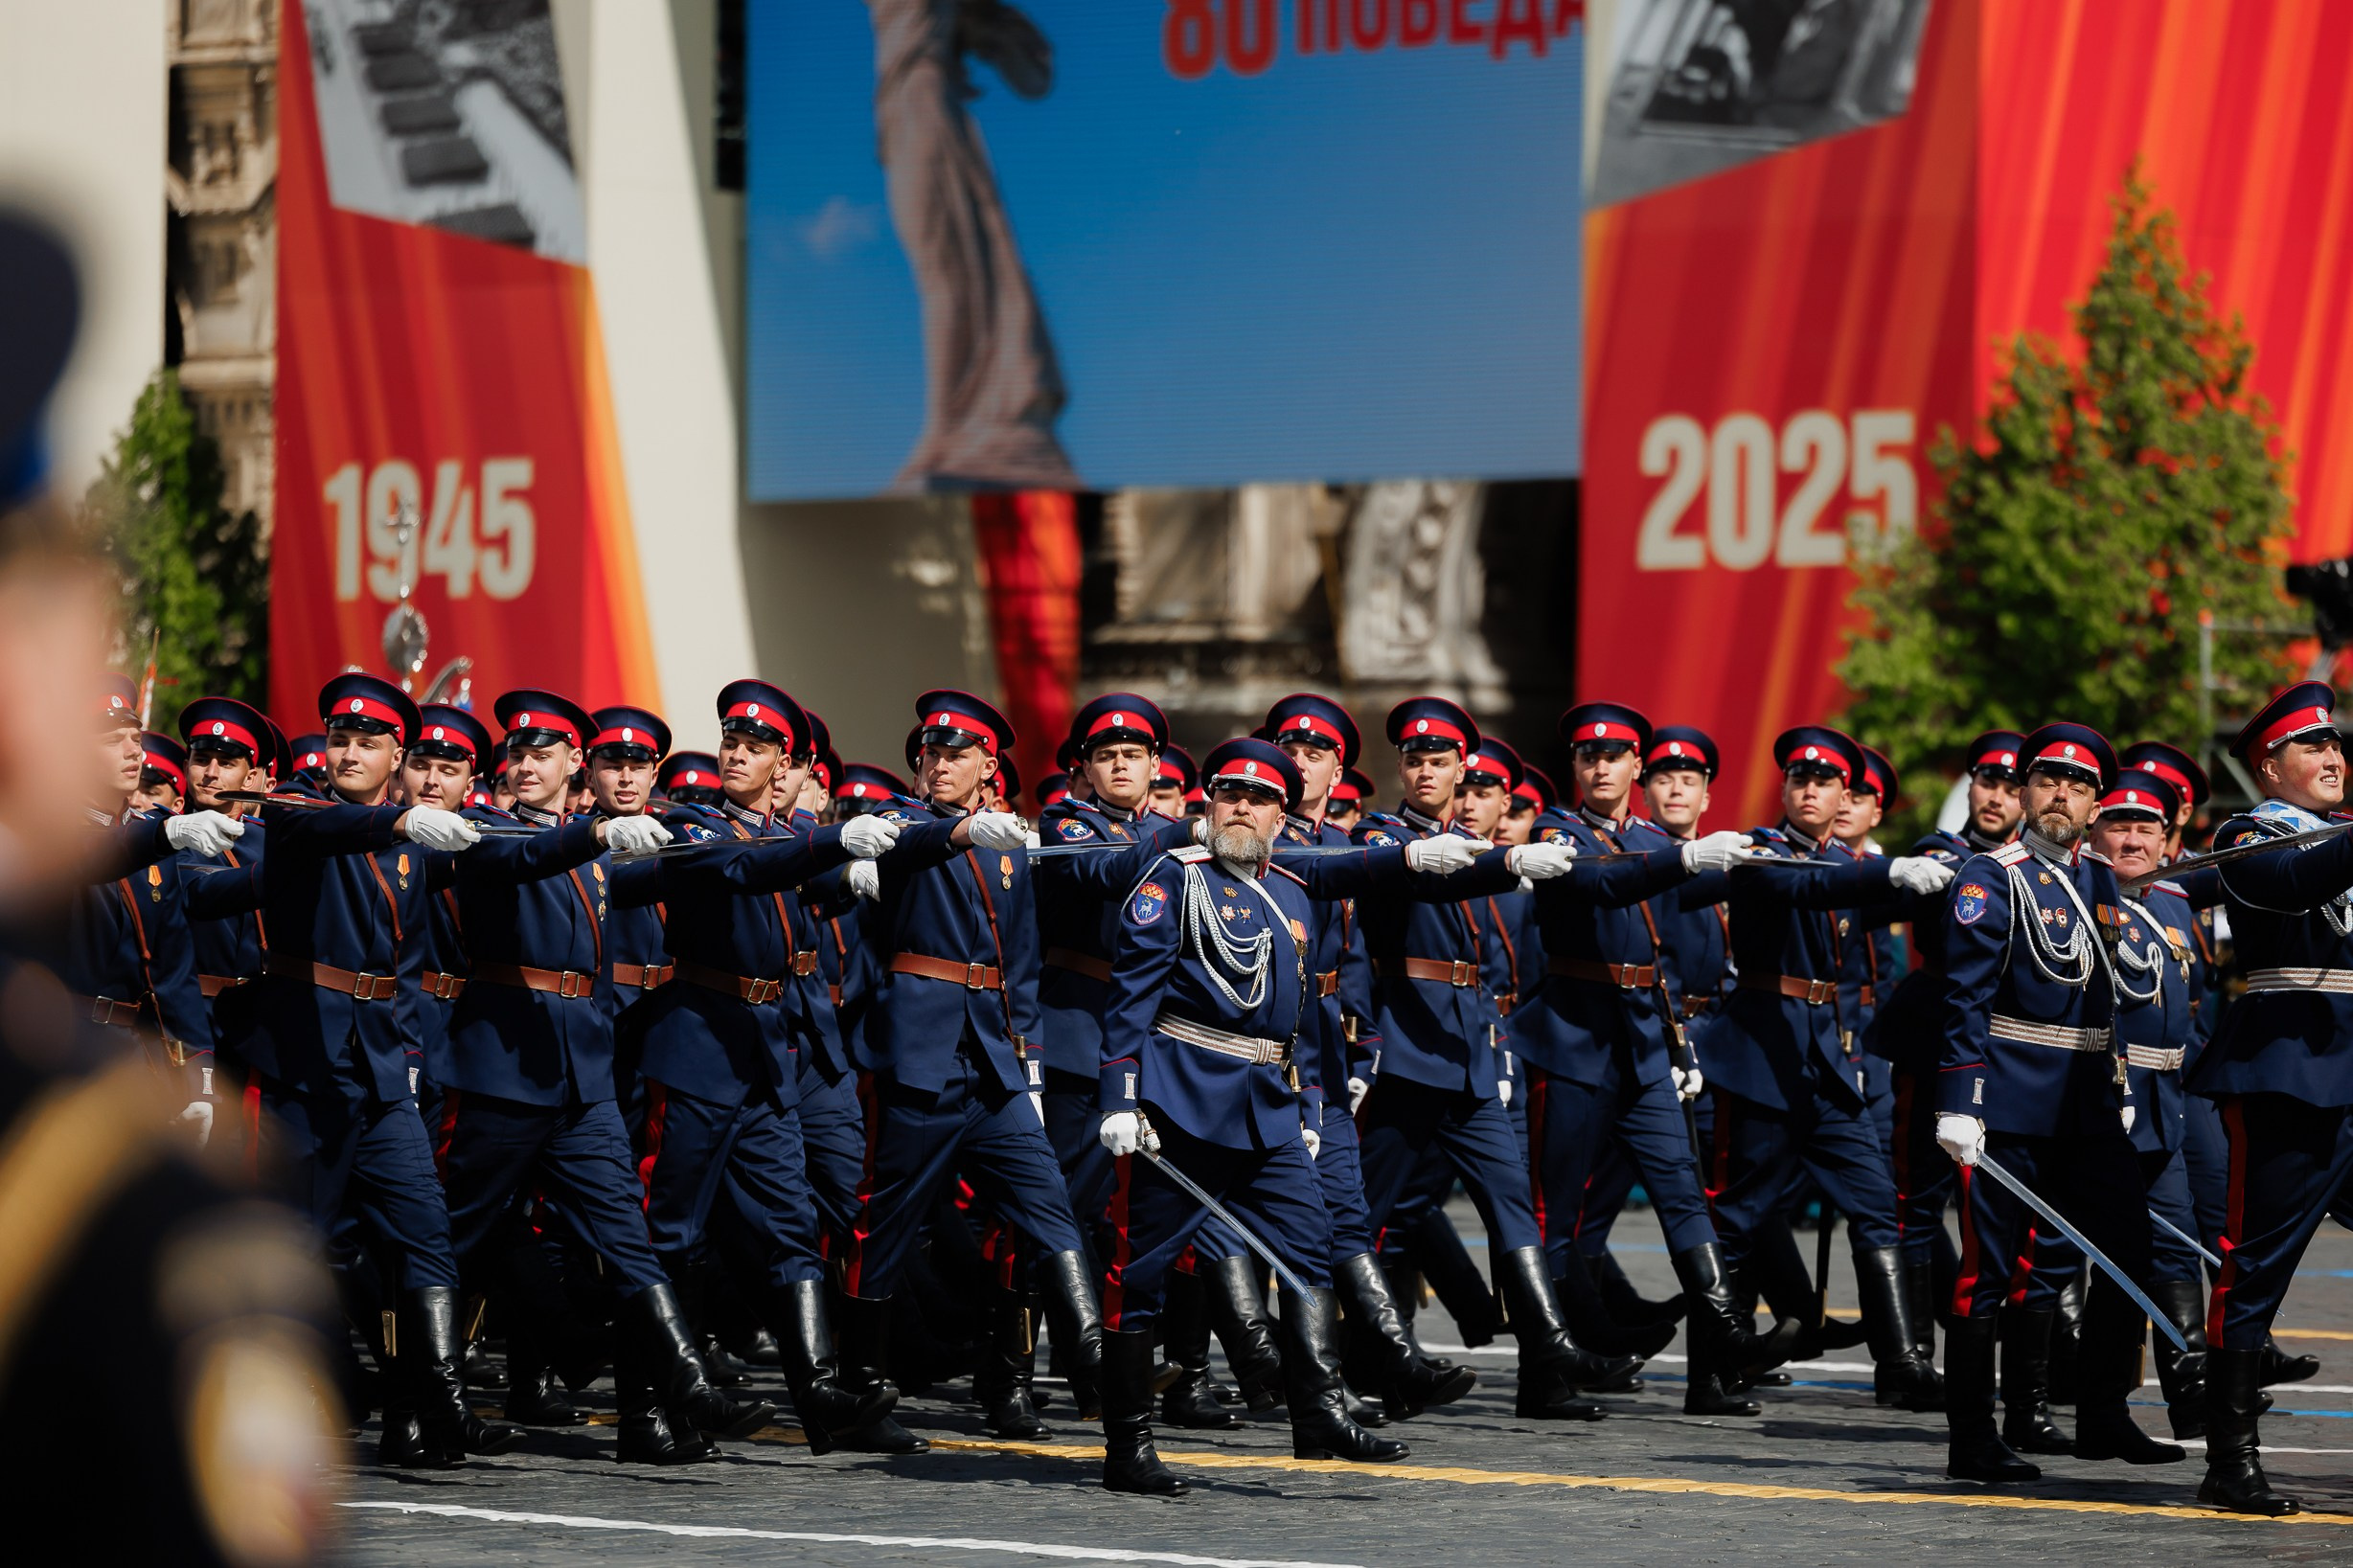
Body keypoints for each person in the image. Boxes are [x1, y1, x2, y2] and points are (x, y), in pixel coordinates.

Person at [1096, 739, 1411, 1495]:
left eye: (1260, 798)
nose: (1243, 806)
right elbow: (1131, 996)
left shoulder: (1293, 894)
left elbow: (1299, 1018)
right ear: (1209, 802)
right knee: (1138, 1273)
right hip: (1181, 1100)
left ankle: (1318, 1412)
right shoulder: (1172, 879)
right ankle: (1128, 1446)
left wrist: (1305, 1102)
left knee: (1310, 1250)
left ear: (1281, 813)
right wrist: (1120, 1094)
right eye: (1230, 792)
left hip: (1268, 1107)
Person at [625, 679, 902, 1455]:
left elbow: (801, 871)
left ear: (783, 762)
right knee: (670, 1229)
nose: (738, 754)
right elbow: (747, 870)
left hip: (764, 1053)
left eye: (755, 747)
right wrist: (832, 844)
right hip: (700, 1048)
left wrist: (876, 858)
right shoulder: (694, 821)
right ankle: (649, 1409)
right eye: (730, 743)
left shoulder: (776, 829)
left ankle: (818, 1392)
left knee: (790, 1224)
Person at [1350, 696, 1633, 1421]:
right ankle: (1367, 1359)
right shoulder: (1386, 833)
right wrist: (1506, 859)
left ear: (1459, 772)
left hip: (1471, 1053)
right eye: (1413, 760)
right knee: (1371, 1220)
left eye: (1439, 762)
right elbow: (1420, 875)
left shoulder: (1468, 846)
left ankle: (1550, 1348)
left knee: (1513, 1205)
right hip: (1409, 1052)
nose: (1423, 772)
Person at [1521, 703, 1797, 1413]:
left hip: (1643, 1043)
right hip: (1575, 1040)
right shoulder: (1558, 831)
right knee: (1559, 1213)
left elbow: (1694, 889)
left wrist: (1763, 860)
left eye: (1615, 755)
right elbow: (1600, 882)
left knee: (1683, 1191)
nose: (1601, 765)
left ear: (1634, 766)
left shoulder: (1647, 837)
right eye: (1588, 755)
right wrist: (1685, 858)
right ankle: (1544, 1372)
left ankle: (1727, 1333)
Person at [840, 691, 1100, 1443]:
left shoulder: (1009, 843)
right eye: (930, 752)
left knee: (1048, 1199)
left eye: (957, 754)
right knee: (885, 1222)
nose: (939, 763)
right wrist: (956, 829)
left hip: (993, 1058)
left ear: (990, 764)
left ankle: (1090, 1357)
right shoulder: (901, 818)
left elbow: (1020, 963)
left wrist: (1034, 1061)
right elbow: (907, 843)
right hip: (919, 1055)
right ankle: (859, 1386)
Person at [1935, 723, 2182, 1484]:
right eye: (2047, 781)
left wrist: (2122, 1089)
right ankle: (1973, 1436)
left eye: (2077, 786)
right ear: (2024, 791)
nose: (2060, 795)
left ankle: (2103, 1413)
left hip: (2085, 1107)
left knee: (2124, 1250)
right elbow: (1963, 998)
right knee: (1987, 1271)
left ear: (2093, 802)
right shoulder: (1990, 875)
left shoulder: (2099, 880)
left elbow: (2107, 996)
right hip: (2006, 1104)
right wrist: (1960, 1098)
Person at [1698, 726, 1952, 1414]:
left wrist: (1962, 869)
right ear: (1785, 789)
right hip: (1759, 1055)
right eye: (1799, 780)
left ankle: (1901, 1361)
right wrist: (1888, 870)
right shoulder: (1764, 852)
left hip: (1822, 1063)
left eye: (1824, 782)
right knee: (1741, 1213)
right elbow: (1812, 889)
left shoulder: (1838, 859)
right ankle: (1710, 1368)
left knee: (1877, 1201)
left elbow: (1875, 895)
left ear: (1845, 794)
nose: (1809, 790)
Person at [2184, 683, 2353, 1514]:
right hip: (2289, 1071)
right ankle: (2231, 1456)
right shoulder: (2248, 835)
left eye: (2337, 749)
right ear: (2269, 765)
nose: (2333, 760)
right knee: (2256, 1267)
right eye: (2314, 749)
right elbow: (2291, 883)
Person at [1860, 729, 2024, 1398]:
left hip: (2012, 1048)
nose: (1996, 796)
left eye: (2013, 785)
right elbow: (1884, 900)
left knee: (2005, 1207)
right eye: (1986, 781)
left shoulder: (2043, 867)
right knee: (1917, 1200)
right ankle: (1907, 1360)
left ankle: (2029, 1359)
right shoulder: (1941, 854)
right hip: (1934, 1041)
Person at [2083, 767, 2209, 1439]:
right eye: (2119, 824)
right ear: (2095, 829)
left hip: (2165, 1100)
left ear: (2168, 838)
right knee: (2108, 1256)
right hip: (2105, 1099)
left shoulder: (2173, 903)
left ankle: (2193, 1396)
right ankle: (2092, 1408)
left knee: (2174, 1249)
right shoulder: (2079, 893)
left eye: (2146, 827)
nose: (2132, 839)